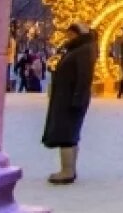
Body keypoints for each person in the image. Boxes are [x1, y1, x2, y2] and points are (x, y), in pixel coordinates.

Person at [41, 22, 97, 185]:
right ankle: (69, 168)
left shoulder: (83, 50)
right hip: (67, 97)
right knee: (68, 132)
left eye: (71, 34)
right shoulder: (77, 49)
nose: (68, 37)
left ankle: (67, 171)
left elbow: (84, 76)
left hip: (71, 98)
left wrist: (78, 98)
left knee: (67, 134)